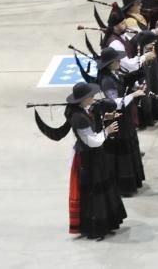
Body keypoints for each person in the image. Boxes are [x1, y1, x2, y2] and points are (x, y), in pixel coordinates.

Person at [64, 82, 127, 240]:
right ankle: (96, 226)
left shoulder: (84, 111)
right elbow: (92, 141)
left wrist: (106, 117)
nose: (93, 97)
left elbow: (93, 122)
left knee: (102, 187)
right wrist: (107, 131)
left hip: (96, 156)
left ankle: (106, 223)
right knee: (94, 191)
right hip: (88, 158)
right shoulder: (78, 118)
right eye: (90, 96)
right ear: (83, 99)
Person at [95, 47, 147, 197]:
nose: (119, 61)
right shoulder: (107, 81)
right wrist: (134, 94)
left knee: (129, 146)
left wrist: (136, 86)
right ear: (109, 63)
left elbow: (125, 83)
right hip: (117, 118)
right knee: (121, 152)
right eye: (116, 60)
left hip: (125, 117)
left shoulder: (115, 74)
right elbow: (114, 103)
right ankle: (123, 186)